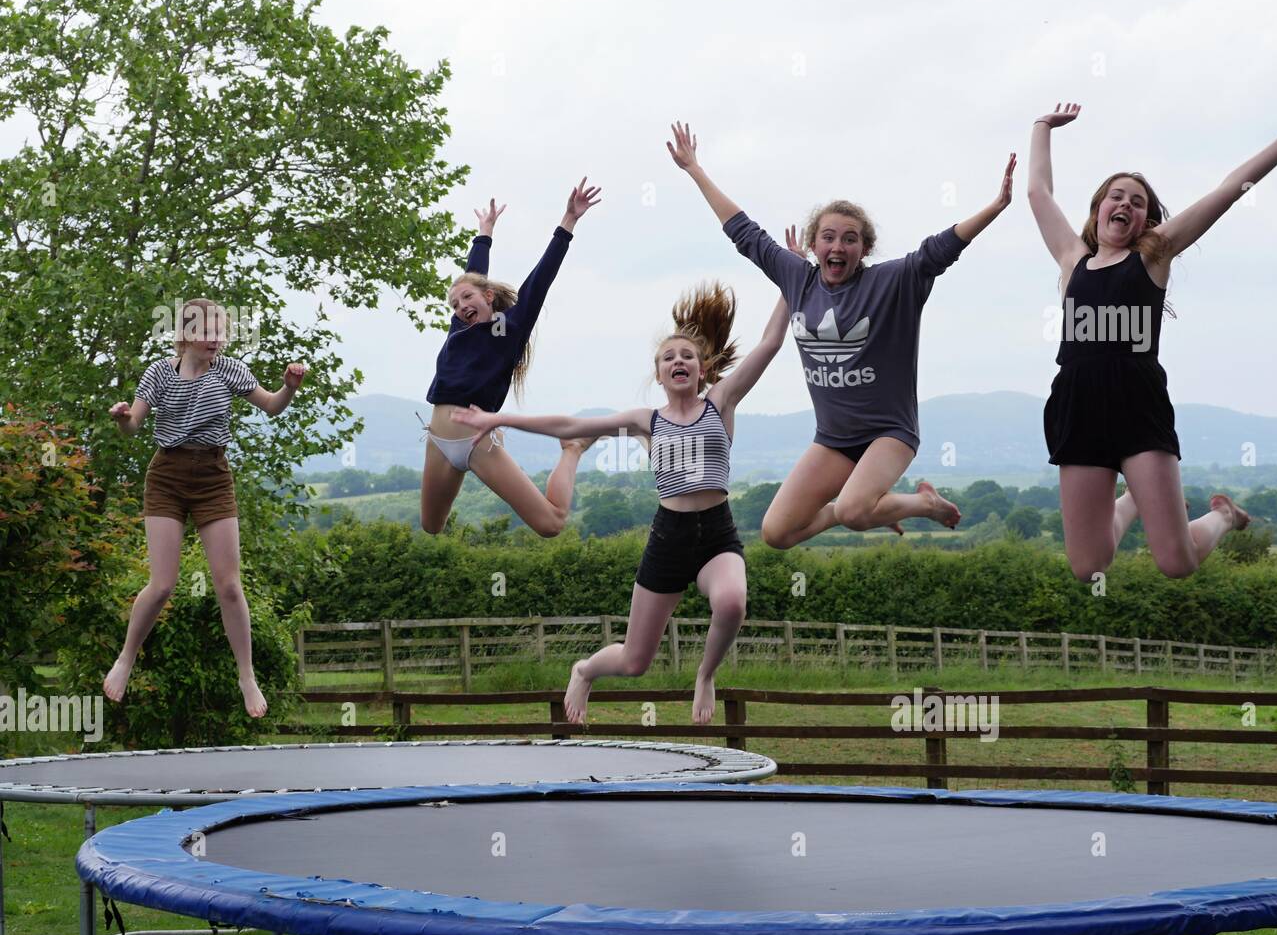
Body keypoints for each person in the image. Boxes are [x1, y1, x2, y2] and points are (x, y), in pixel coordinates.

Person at [668, 121, 1015, 548]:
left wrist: (995, 206)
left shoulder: (892, 282)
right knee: (777, 533)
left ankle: (915, 505)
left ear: (864, 250)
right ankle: (883, 504)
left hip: (890, 433)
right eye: (828, 237)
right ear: (813, 246)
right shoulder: (797, 278)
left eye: (849, 240)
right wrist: (695, 169)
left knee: (854, 512)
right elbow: (744, 233)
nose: (838, 247)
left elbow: (937, 252)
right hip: (834, 439)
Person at [454, 289, 791, 725]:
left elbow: (769, 344)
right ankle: (585, 669)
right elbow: (571, 425)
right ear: (659, 374)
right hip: (669, 537)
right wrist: (499, 418)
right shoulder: (644, 420)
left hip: (716, 533)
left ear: (703, 369)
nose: (678, 362)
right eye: (668, 358)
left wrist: (790, 284)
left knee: (731, 603)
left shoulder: (721, 403)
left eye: (687, 355)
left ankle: (705, 675)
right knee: (635, 662)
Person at [1028, 103, 1277, 579]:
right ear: (1098, 210)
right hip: (1078, 407)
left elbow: (1229, 190)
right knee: (1089, 567)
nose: (1126, 205)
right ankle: (1131, 499)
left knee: (1176, 563)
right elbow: (1038, 191)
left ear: (1147, 222)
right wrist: (1042, 127)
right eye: (1117, 196)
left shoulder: (1154, 256)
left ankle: (1222, 516)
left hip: (1138, 407)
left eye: (1138, 203)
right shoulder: (1073, 259)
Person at [105, 299, 306, 717]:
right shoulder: (160, 373)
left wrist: (288, 387)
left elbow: (270, 405)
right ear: (185, 335)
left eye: (221, 331)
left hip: (214, 476)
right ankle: (126, 658)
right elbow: (133, 427)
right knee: (162, 585)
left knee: (229, 586)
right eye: (208, 331)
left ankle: (246, 676)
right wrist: (122, 416)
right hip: (167, 476)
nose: (216, 338)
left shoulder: (229, 369)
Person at [421, 183, 600, 537]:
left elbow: (541, 278)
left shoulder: (511, 327)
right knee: (431, 527)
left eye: (467, 299)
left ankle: (573, 449)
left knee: (550, 524)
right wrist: (484, 233)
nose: (460, 308)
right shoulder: (460, 328)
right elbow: (472, 274)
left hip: (478, 442)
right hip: (439, 439)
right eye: (454, 305)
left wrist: (568, 221)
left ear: (489, 296)